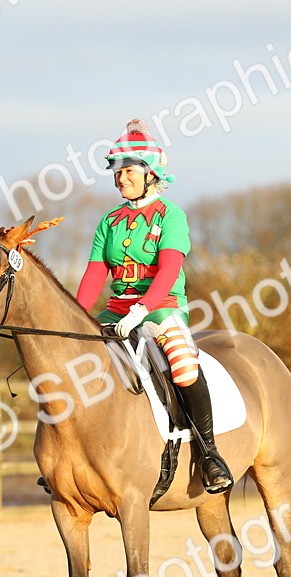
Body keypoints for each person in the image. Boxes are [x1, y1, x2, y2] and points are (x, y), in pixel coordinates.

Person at [74, 119, 233, 493]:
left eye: (127, 171)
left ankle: (210, 453)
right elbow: (95, 274)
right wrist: (78, 319)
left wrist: (143, 310)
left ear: (150, 173)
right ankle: (72, 455)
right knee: (73, 360)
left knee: (182, 364)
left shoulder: (171, 216)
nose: (119, 178)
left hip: (162, 308)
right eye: (117, 171)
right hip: (115, 309)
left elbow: (170, 269)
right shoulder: (109, 221)